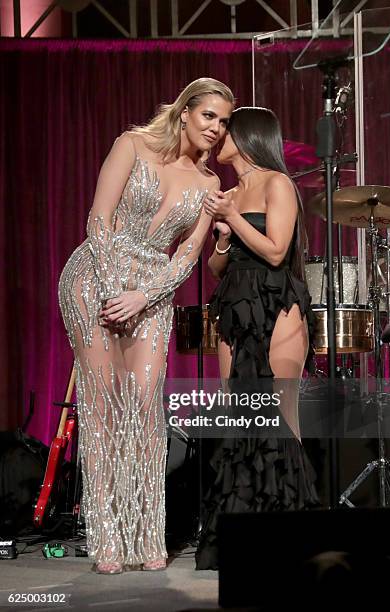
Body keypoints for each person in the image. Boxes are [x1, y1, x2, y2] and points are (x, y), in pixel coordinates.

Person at [58, 78, 234, 574]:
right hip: (94, 278)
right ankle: (108, 538)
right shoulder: (131, 144)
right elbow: (99, 219)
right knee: (105, 409)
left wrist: (141, 295)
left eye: (223, 123)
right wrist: (115, 290)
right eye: (209, 117)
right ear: (184, 113)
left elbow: (187, 257)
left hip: (151, 294)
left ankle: (144, 533)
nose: (215, 129)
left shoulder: (208, 184)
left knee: (145, 409)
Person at [195, 107, 319, 571]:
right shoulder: (230, 191)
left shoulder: (276, 183)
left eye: (227, 127)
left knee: (282, 420)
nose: (218, 134)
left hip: (277, 304)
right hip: (235, 303)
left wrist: (232, 216)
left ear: (247, 136)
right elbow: (215, 266)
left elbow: (276, 250)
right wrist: (224, 236)